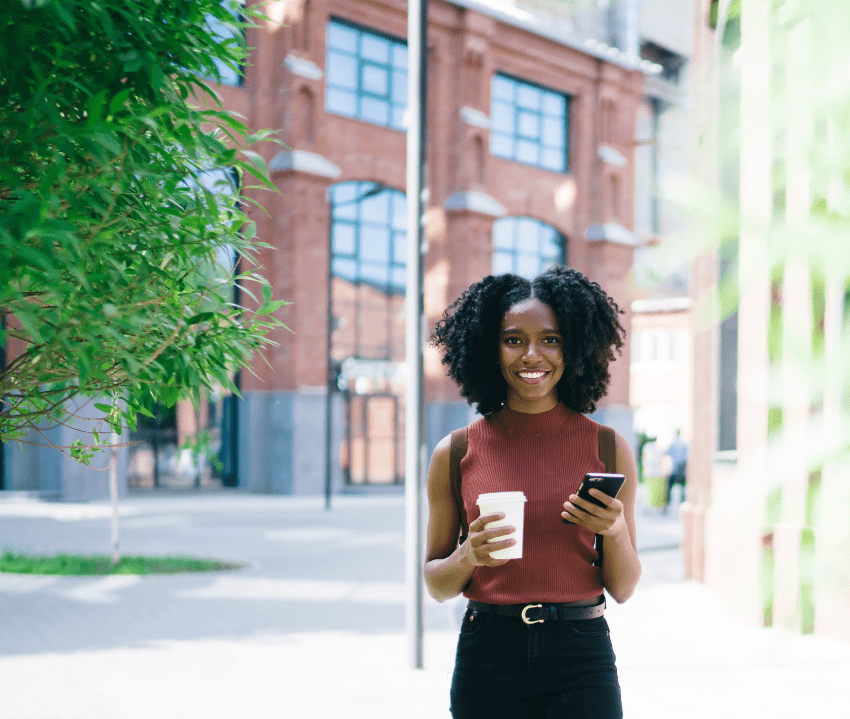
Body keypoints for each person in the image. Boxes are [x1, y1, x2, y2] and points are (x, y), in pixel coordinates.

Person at [424, 266, 641, 719]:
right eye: (512, 339)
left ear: (575, 346)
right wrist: (469, 556)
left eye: (551, 339)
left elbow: (623, 588)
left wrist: (615, 529)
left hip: (580, 654)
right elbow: (436, 584)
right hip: (489, 653)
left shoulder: (607, 447)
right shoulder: (455, 452)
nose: (532, 355)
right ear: (490, 348)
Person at [662, 430, 688, 512]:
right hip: (682, 472)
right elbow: (687, 459)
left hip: (674, 471)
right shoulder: (684, 444)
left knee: (668, 489)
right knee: (683, 490)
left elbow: (666, 454)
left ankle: (666, 506)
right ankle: (683, 507)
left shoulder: (672, 443)